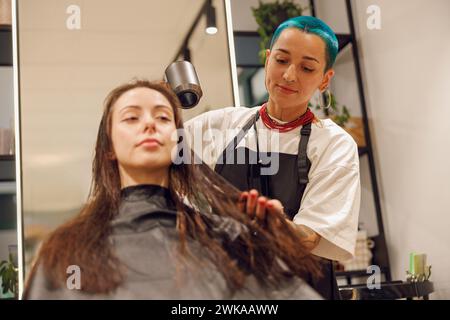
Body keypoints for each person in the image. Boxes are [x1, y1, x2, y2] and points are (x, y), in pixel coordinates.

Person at [23, 79, 323, 299]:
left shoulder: (226, 238)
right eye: (132, 117)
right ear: (109, 148)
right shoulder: (68, 250)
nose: (150, 124)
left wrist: (270, 240)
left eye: (163, 117)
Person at [184, 16, 361, 299]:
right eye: (281, 60)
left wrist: (277, 224)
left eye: (306, 68)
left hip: (303, 290)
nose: (290, 75)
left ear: (325, 79)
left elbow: (312, 237)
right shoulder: (217, 126)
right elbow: (156, 158)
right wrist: (156, 102)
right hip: (229, 292)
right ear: (267, 60)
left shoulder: (334, 145)